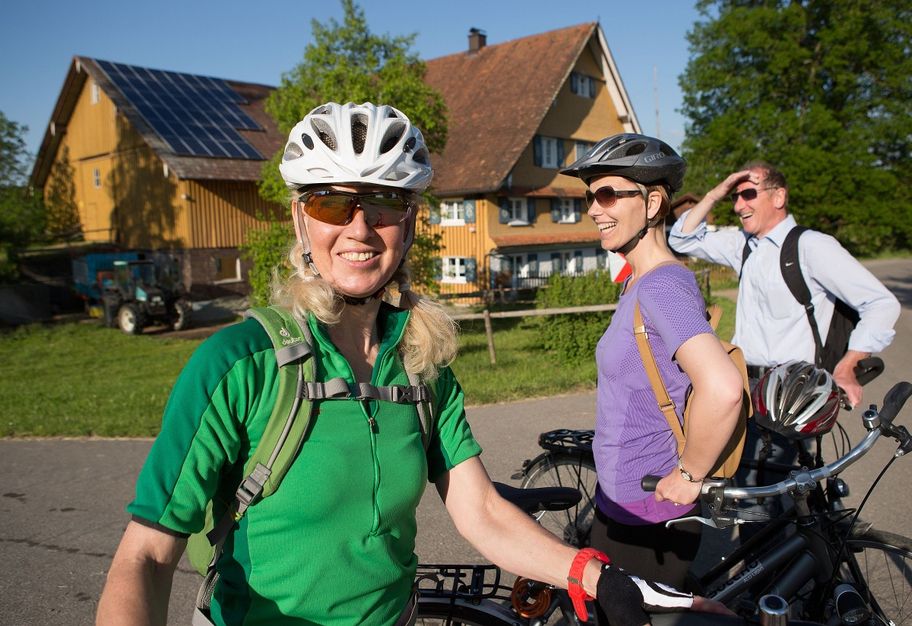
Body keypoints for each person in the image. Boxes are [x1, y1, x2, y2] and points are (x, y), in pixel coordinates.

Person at [96, 103, 729, 626]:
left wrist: (592, 571)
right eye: (331, 205)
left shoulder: (420, 366)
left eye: (383, 205)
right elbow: (146, 557)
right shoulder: (240, 364)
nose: (359, 229)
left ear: (410, 221)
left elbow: (477, 510)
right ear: (299, 218)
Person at [560, 133, 745, 590]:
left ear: (652, 202)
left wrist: (688, 475)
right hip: (622, 498)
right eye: (590, 196)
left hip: (650, 510)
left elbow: (723, 389)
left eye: (606, 194)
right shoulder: (637, 282)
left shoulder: (663, 285)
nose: (593, 209)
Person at [668, 162, 900, 408]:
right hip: (746, 381)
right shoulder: (742, 245)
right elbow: (682, 238)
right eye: (734, 197)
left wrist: (849, 364)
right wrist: (716, 193)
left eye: (748, 195)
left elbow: (881, 303)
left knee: (782, 449)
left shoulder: (812, 246)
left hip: (793, 389)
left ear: (778, 196)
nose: (738, 206)